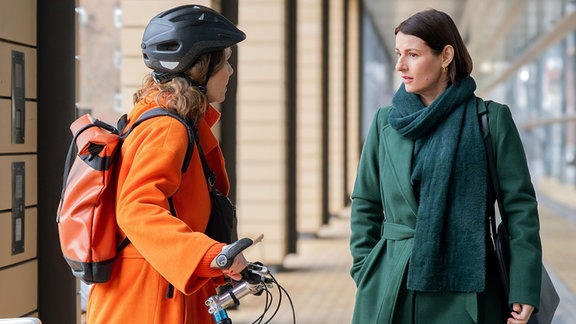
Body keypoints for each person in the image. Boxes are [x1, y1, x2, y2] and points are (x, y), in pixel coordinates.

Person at [349, 8, 542, 324]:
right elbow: (366, 203)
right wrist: (366, 269)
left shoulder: (490, 120)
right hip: (392, 285)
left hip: (469, 288)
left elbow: (520, 209)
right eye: (399, 53)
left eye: (412, 54)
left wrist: (524, 287)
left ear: (445, 56)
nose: (400, 65)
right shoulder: (385, 123)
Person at [86, 4, 248, 323]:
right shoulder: (167, 128)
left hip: (160, 292)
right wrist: (210, 255)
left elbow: (182, 210)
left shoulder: (176, 121)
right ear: (199, 67)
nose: (230, 71)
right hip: (147, 302)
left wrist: (218, 263)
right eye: (225, 62)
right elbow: (137, 209)